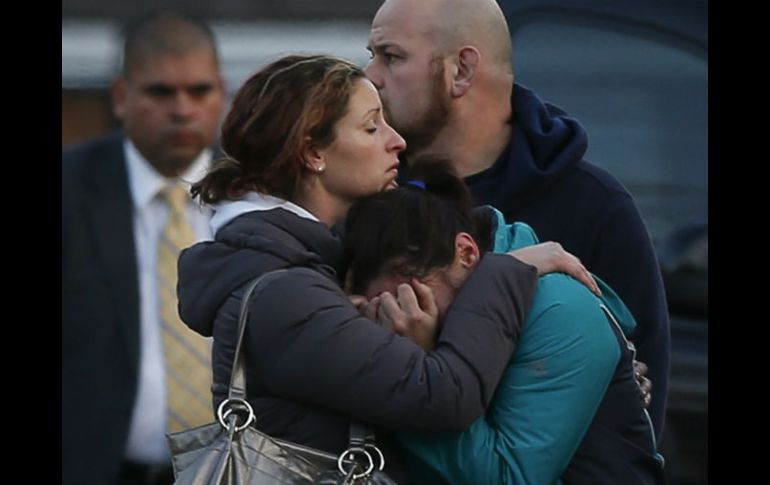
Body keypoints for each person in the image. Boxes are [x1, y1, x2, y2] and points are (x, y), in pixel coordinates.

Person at [175, 53, 547, 482]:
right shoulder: (286, 295)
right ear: (313, 152)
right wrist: (502, 272)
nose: (397, 141)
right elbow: (444, 396)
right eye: (371, 127)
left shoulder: (304, 266)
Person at [364, 0, 670, 437]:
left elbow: (635, 422)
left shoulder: (594, 208)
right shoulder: (366, 192)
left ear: (462, 70)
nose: (370, 77)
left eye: (391, 57)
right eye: (372, 55)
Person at [343, 163, 666, 484]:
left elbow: (508, 477)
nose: (403, 318)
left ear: (466, 253)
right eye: (385, 311)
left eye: (413, 297)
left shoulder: (559, 310)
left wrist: (414, 370)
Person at [62, 10, 226, 485]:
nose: (182, 109)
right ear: (120, 96)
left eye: (199, 91)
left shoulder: (259, 194)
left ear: (221, 92)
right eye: (161, 92)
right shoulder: (70, 191)